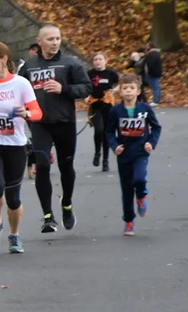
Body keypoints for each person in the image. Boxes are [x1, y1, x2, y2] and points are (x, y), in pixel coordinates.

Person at [0, 42, 42, 254]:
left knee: (13, 199)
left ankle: (14, 235)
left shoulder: (21, 84)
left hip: (15, 145)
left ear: (4, 59)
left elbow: (37, 112)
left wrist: (26, 114)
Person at [21, 24, 92, 233]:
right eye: (50, 39)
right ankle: (47, 216)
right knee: (42, 166)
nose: (55, 43)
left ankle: (67, 204)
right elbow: (19, 91)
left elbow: (86, 87)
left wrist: (64, 89)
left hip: (64, 123)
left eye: (58, 39)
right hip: (40, 124)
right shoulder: (29, 67)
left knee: (66, 167)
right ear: (39, 41)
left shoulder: (70, 63)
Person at [105, 74, 162, 235]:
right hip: (123, 153)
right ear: (120, 92)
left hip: (140, 151)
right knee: (127, 189)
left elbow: (156, 127)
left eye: (132, 88)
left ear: (138, 91)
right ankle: (129, 221)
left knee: (139, 178)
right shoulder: (116, 110)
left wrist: (151, 142)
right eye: (125, 88)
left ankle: (142, 196)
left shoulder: (145, 109)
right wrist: (115, 146)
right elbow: (109, 131)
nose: (128, 91)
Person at [86, 52, 120, 172]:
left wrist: (114, 90)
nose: (98, 62)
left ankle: (105, 160)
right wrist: (86, 95)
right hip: (95, 105)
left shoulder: (111, 73)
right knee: (98, 129)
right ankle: (97, 153)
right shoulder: (90, 74)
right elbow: (85, 86)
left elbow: (119, 84)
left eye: (100, 59)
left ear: (105, 61)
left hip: (107, 105)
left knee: (106, 133)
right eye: (95, 60)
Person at [23, 43, 42, 181]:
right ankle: (38, 162)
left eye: (37, 51)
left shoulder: (46, 65)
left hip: (46, 107)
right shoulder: (25, 67)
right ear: (30, 52)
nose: (35, 53)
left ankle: (43, 156)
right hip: (31, 109)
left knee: (40, 138)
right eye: (33, 51)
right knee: (36, 136)